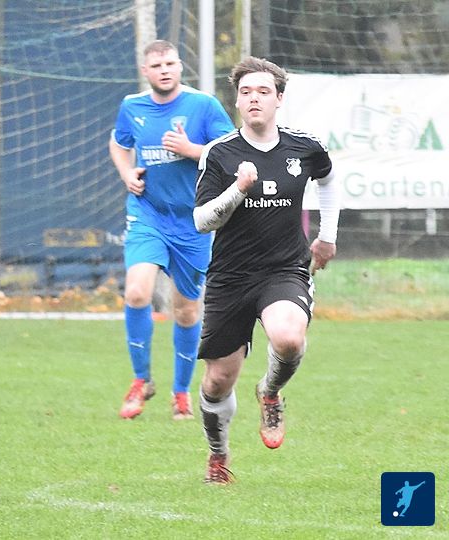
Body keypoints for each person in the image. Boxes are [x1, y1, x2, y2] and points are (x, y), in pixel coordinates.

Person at [193, 56, 339, 484]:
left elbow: (329, 180)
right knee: (218, 381)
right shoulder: (220, 153)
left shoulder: (304, 147)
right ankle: (218, 454)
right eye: (245, 92)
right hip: (230, 276)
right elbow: (202, 221)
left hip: (284, 269)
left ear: (279, 99)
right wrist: (238, 189)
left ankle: (270, 391)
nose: (253, 98)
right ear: (237, 102)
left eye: (263, 91)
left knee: (289, 338)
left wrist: (327, 236)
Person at [109, 40, 235, 421]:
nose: (164, 70)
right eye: (157, 65)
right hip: (147, 214)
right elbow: (118, 144)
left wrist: (191, 149)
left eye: (170, 64)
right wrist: (127, 173)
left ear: (180, 67)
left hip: (194, 222)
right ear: (145, 71)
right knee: (137, 291)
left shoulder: (203, 105)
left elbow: (231, 152)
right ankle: (141, 380)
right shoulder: (132, 106)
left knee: (185, 310)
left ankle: (180, 392)